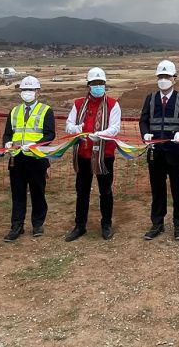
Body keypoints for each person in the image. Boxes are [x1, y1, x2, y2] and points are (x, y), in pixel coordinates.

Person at [64, 67, 122, 241]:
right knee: (82, 191)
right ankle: (80, 226)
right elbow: (68, 125)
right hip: (83, 155)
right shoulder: (78, 104)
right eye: (95, 83)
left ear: (105, 84)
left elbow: (115, 128)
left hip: (104, 155)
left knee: (105, 191)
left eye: (101, 83)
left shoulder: (112, 104)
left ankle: (106, 224)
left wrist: (100, 134)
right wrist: (77, 128)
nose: (98, 86)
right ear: (88, 85)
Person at [139, 59, 179, 241]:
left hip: (176, 152)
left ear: (174, 79)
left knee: (178, 190)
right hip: (155, 152)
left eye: (167, 76)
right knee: (157, 190)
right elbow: (143, 120)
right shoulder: (150, 98)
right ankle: (157, 223)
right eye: (161, 76)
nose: (163, 80)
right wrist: (145, 134)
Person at [2, 76, 56, 242]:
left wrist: (36, 144)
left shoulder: (46, 110)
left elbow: (50, 134)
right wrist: (7, 143)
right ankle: (16, 226)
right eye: (24, 90)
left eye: (30, 90)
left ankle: (38, 224)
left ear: (38, 92)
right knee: (17, 194)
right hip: (17, 159)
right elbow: (7, 134)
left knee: (37, 192)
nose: (27, 93)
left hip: (36, 158)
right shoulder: (14, 111)